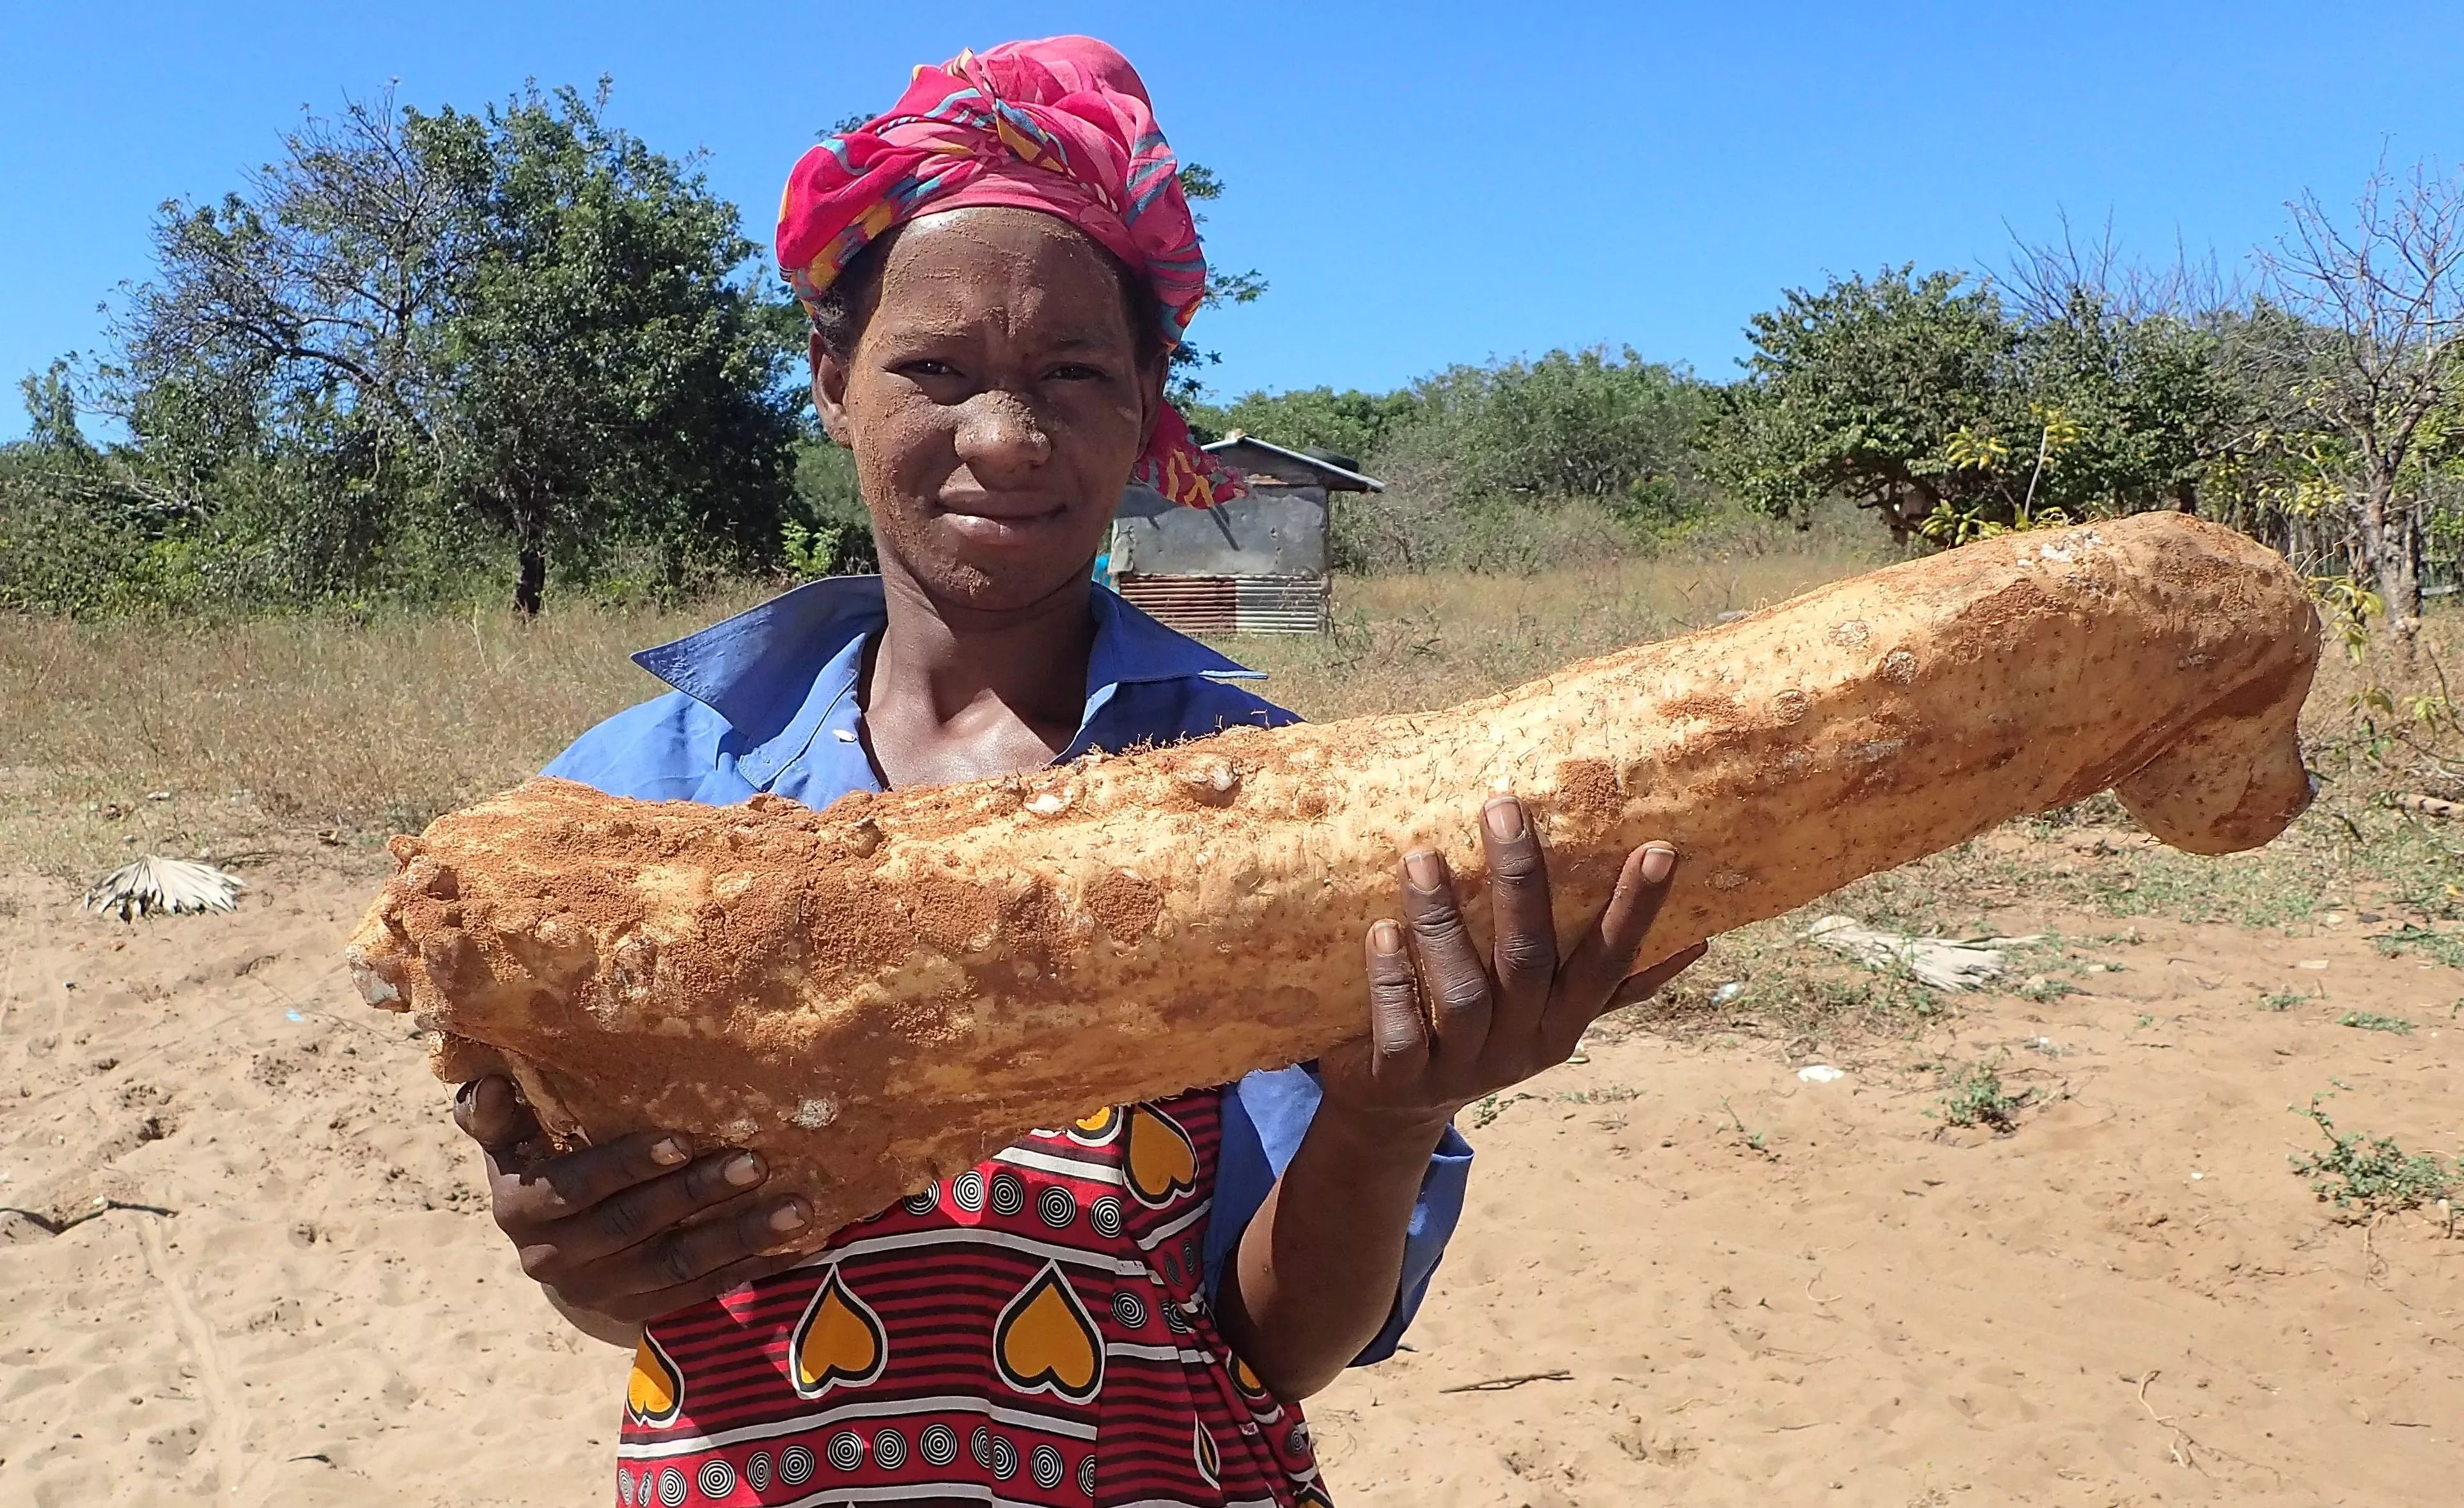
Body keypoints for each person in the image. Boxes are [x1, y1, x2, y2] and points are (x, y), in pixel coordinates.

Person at [451, 36, 1703, 1508]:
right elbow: (629, 1302)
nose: (1004, 438)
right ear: (831, 380)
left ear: (1146, 399)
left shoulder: (1276, 805)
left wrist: (1383, 1116)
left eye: (1071, 374)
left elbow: (1280, 1343)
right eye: (932, 369)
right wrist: (575, 1250)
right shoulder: (632, 807)